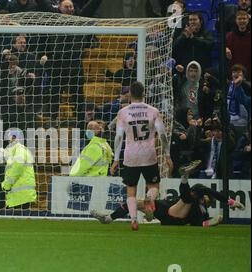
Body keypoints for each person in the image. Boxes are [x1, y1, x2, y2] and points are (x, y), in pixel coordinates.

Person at [91, 160, 245, 226]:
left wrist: (213, 222)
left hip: (174, 216)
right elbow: (208, 193)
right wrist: (230, 202)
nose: (204, 197)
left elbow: (200, 224)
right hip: (166, 209)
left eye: (206, 198)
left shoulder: (200, 209)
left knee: (190, 195)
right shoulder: (198, 200)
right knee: (135, 203)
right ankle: (108, 218)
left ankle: (184, 177)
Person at [110, 81, 173, 231]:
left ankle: (133, 220)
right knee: (154, 186)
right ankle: (149, 199)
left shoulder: (123, 112)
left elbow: (118, 137)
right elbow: (163, 135)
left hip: (130, 155)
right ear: (144, 93)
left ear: (130, 93)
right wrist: (167, 155)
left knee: (131, 189)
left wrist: (115, 159)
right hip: (149, 154)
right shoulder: (153, 111)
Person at [0, 131, 37, 209]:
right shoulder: (20, 150)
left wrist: (7, 185)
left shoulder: (19, 150)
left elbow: (16, 169)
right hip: (20, 195)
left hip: (20, 195)